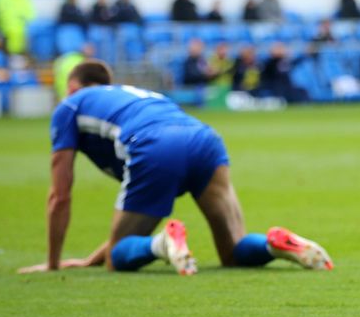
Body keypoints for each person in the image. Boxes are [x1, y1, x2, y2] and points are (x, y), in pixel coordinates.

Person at [18, 60, 332, 276]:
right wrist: (89, 260)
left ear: (73, 86)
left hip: (153, 146)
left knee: (118, 257)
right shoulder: (132, 95)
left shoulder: (70, 105)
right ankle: (274, 244)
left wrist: (53, 263)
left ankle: (162, 244)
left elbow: (60, 195)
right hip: (204, 140)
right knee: (234, 251)